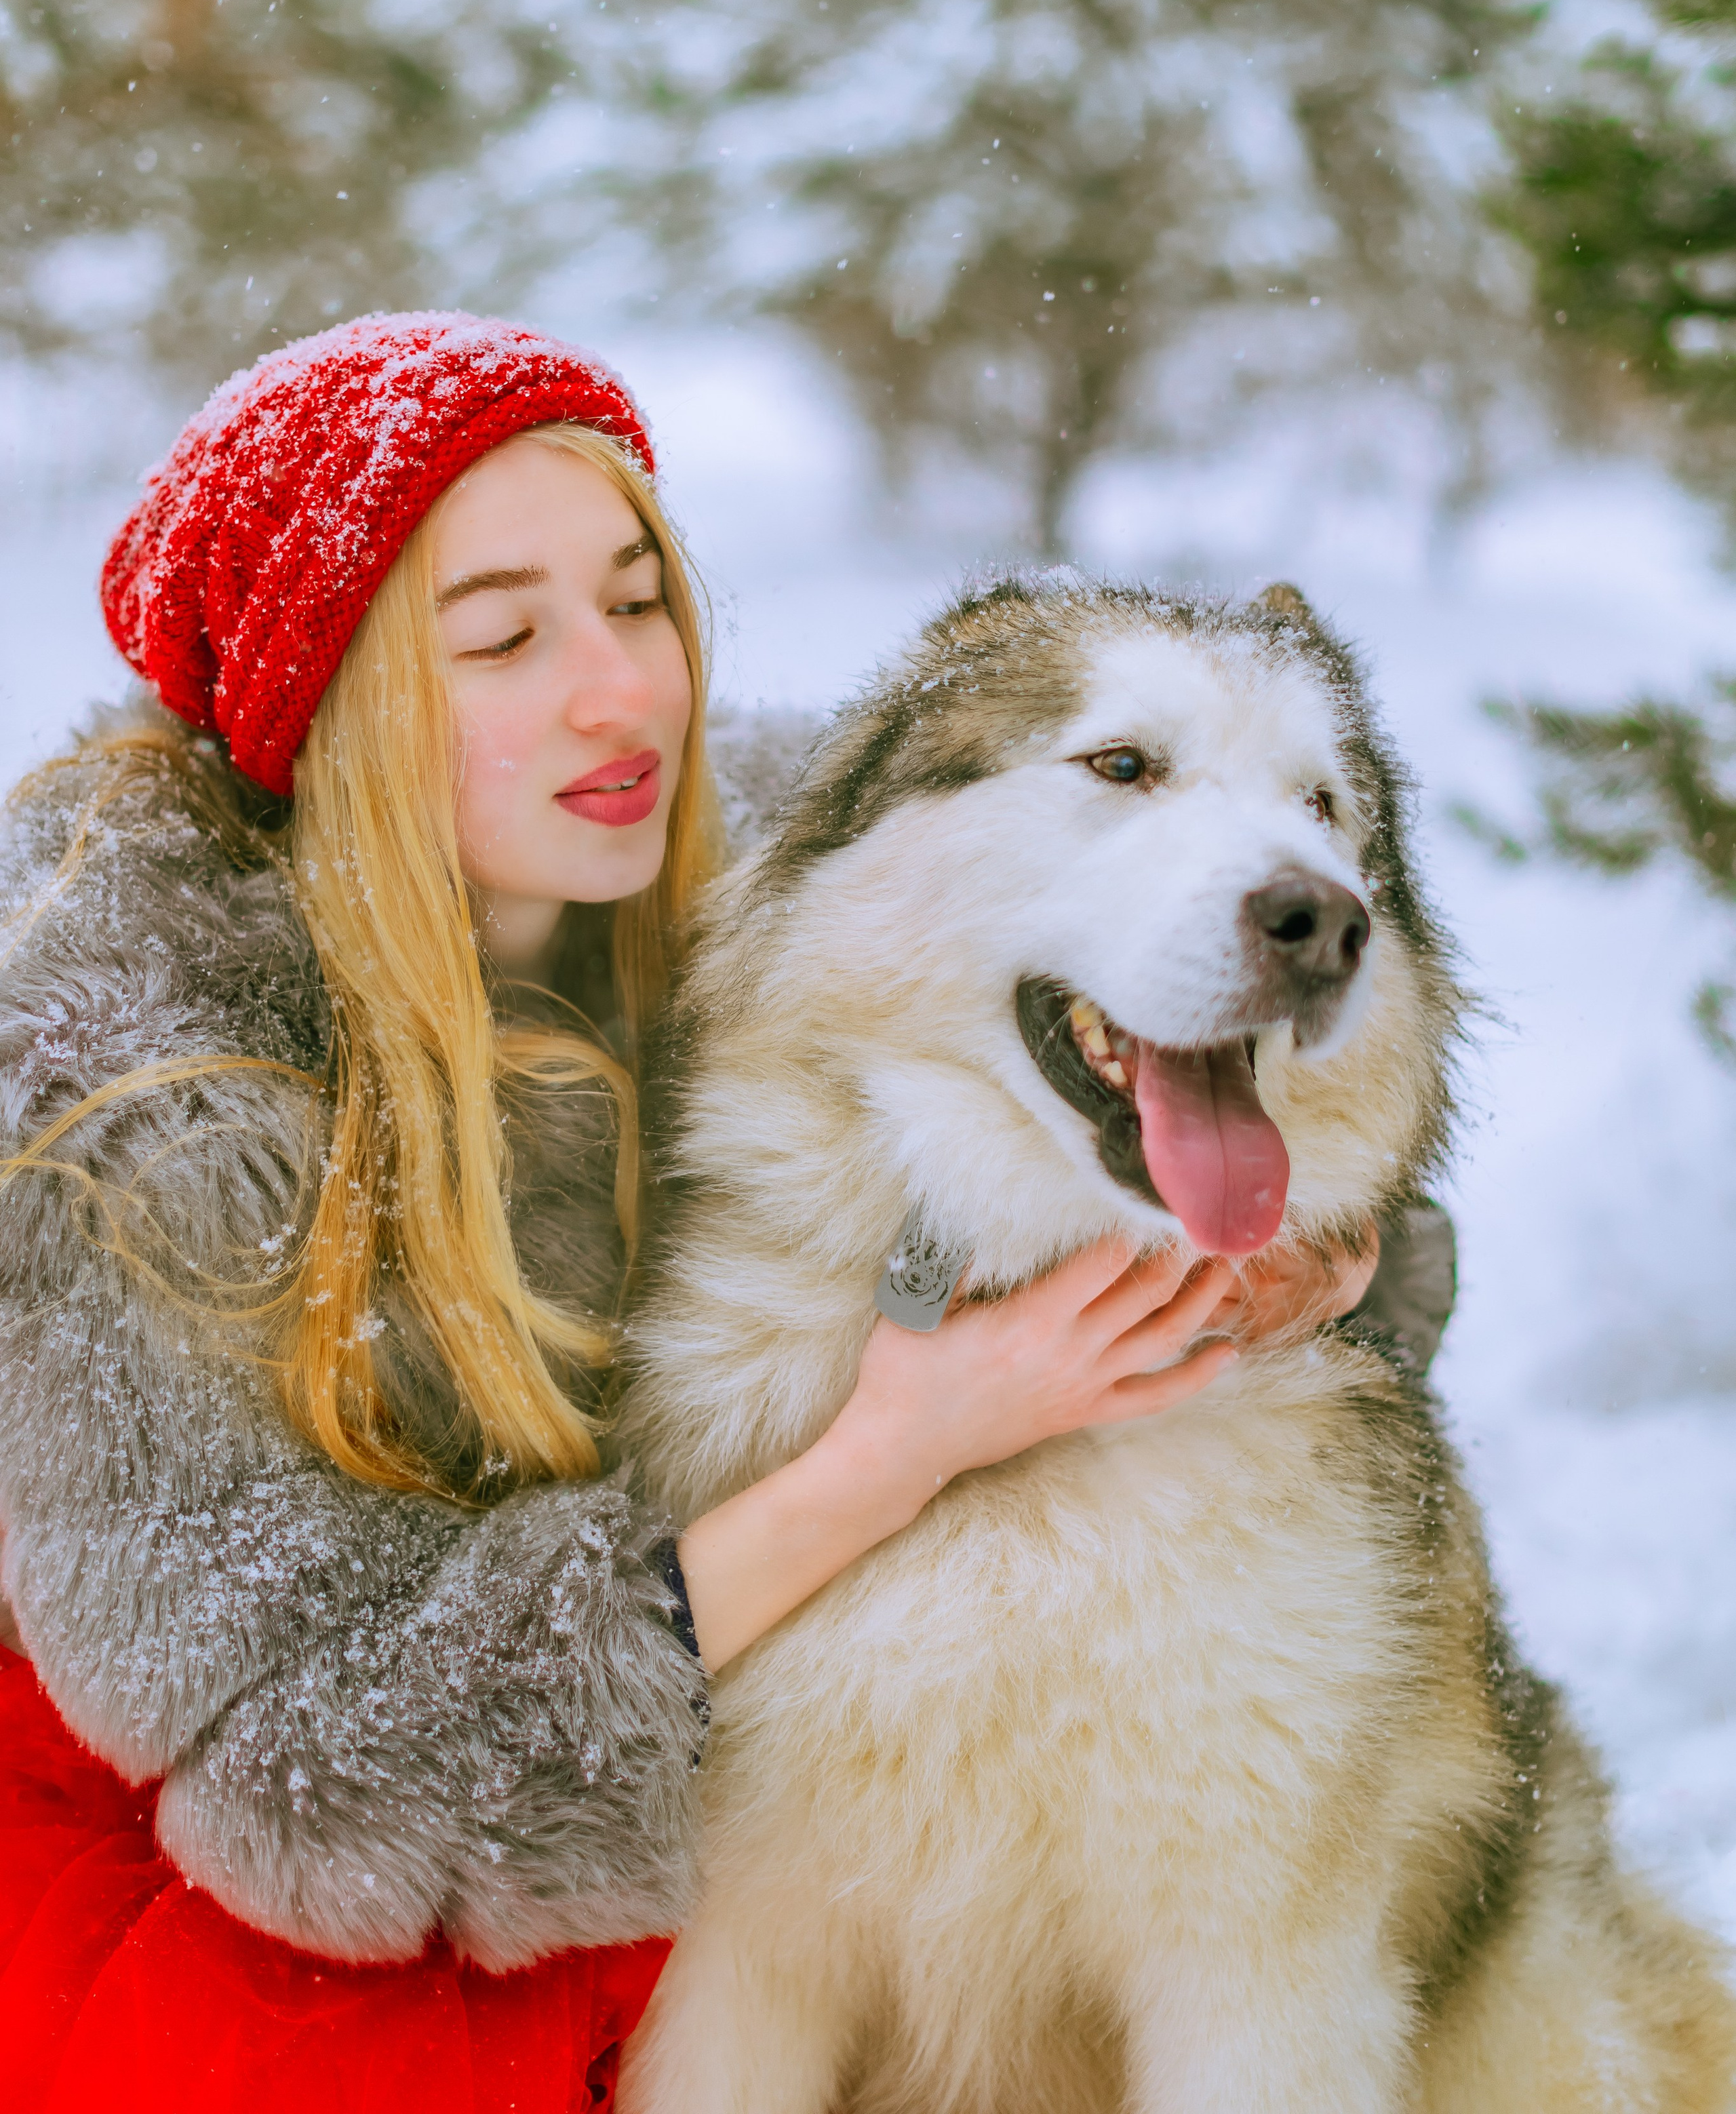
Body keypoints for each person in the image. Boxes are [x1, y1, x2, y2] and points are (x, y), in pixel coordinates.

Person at [0, 313, 1448, 2114]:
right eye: (507, 640)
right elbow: (312, 1783)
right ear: (350, 708)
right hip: (243, 1851)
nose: (621, 693)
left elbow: (1169, 1069)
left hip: (579, 1723)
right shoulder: (132, 1100)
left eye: (639, 599)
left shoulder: (761, 862)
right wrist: (888, 1454)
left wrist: (1307, 1254)